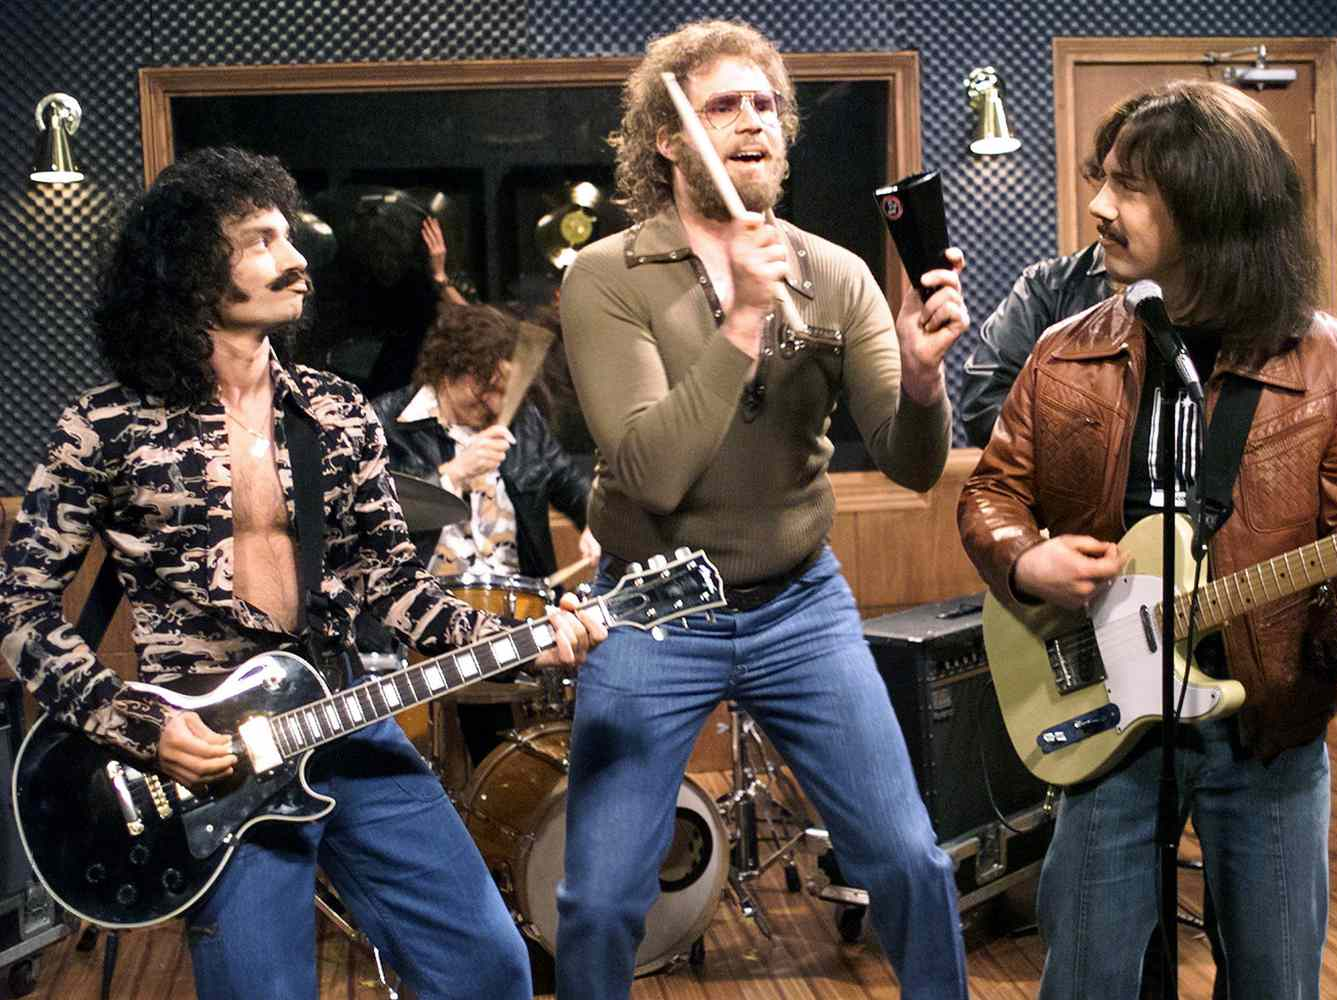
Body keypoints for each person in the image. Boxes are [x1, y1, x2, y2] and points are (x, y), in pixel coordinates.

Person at [0, 146, 604, 1000]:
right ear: (189, 269)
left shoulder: (335, 411)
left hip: (344, 713)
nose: (296, 260)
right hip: (205, 760)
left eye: (289, 237)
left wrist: (527, 635)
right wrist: (137, 722)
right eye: (261, 240)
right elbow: (20, 606)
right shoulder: (104, 427)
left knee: (488, 969)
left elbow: (396, 588)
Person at [957, 81, 1337, 999]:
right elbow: (991, 494)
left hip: (1268, 731)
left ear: (1211, 210)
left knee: (1274, 981)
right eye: (1103, 180)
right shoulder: (1064, 349)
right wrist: (1024, 556)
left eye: (1130, 187)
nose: (1099, 206)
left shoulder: (1336, 361)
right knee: (1085, 978)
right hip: (1111, 724)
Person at [554, 19, 971, 999]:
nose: (753, 122)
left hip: (799, 606)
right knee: (600, 901)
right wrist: (743, 315)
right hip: (650, 610)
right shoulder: (608, 275)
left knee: (910, 859)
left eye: (766, 105)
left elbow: (914, 466)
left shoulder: (837, 274)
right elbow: (651, 473)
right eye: (723, 106)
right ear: (669, 138)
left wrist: (921, 382)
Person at [372, 300, 600, 762]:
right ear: (450, 368)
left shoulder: (524, 425)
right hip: (427, 619)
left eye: (505, 390)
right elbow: (371, 521)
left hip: (518, 613)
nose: (497, 404)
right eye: (486, 387)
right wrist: (453, 473)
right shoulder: (387, 423)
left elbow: (575, 492)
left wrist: (598, 524)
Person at [959, 244, 1337, 448]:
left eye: (1131, 187)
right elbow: (985, 408)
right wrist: (1096, 451)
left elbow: (1306, 408)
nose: (1103, 205)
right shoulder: (1051, 288)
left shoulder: (1241, 301)